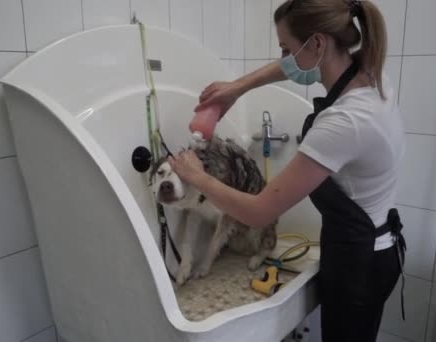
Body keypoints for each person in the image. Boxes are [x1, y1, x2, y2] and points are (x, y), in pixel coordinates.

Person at [168, 0, 406, 340]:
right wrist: (238, 88)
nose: (285, 59)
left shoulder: (345, 122)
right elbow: (292, 67)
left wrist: (197, 177)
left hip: (360, 266)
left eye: (286, 48)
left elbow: (259, 212)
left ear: (319, 43)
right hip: (375, 248)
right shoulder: (371, 74)